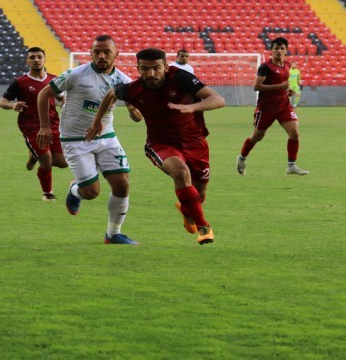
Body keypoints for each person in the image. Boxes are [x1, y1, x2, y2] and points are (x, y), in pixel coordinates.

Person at [89, 48, 226, 245]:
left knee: (199, 193)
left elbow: (218, 99)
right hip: (160, 143)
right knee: (181, 173)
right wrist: (97, 122)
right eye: (145, 69)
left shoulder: (180, 78)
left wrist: (192, 107)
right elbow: (111, 95)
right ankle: (204, 227)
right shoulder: (132, 89)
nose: (151, 73)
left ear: (166, 67)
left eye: (156, 68)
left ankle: (187, 210)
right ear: (138, 69)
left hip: (195, 142)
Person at [36, 35, 138, 245]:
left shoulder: (124, 80)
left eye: (106, 52)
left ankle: (113, 234)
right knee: (91, 192)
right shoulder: (76, 74)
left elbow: (136, 105)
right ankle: (75, 191)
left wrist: (133, 109)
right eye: (96, 52)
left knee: (122, 184)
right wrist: (45, 126)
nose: (101, 56)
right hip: (75, 140)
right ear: (91, 53)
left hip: (107, 137)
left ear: (116, 54)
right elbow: (44, 93)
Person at [0, 47, 68, 201]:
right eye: (32, 57)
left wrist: (64, 105)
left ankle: (34, 157)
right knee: (47, 161)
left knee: (63, 163)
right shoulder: (20, 82)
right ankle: (47, 193)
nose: (36, 60)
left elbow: (61, 97)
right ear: (27, 61)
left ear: (44, 59)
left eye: (39, 57)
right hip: (31, 126)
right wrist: (11, 105)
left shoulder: (54, 79)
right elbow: (1, 101)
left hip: (53, 124)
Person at [236, 37, 309, 176]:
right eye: (276, 48)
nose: (279, 51)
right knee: (257, 136)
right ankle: (241, 158)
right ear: (272, 50)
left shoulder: (287, 65)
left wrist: (286, 91)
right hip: (266, 108)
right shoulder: (265, 67)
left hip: (283, 106)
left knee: (294, 133)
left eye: (282, 48)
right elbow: (256, 86)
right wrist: (281, 86)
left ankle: (291, 165)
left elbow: (281, 85)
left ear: (286, 50)